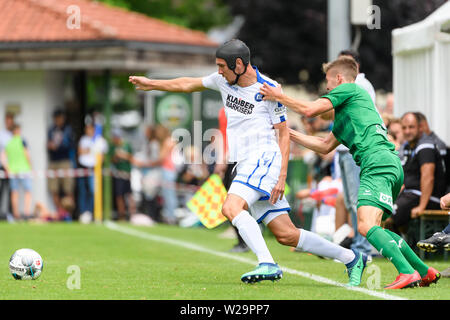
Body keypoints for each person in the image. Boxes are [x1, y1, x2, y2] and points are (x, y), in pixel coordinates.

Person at [129, 39, 368, 286]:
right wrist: (152, 84)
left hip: (264, 159)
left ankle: (267, 263)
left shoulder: (269, 88)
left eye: (222, 66)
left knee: (231, 207)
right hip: (247, 164)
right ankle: (351, 258)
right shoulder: (223, 80)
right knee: (286, 234)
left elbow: (283, 133)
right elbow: (187, 84)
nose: (219, 71)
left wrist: (282, 175)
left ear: (240, 64)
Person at [260, 56, 440, 289]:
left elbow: (311, 109)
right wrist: (288, 133)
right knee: (377, 228)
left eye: (328, 81)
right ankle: (424, 271)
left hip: (376, 164)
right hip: (388, 164)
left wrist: (278, 97)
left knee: (364, 226)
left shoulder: (349, 89)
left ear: (339, 78)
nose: (326, 88)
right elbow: (324, 146)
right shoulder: (348, 113)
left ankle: (406, 272)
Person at [331, 50, 375, 257]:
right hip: (343, 149)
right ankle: (359, 245)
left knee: (358, 201)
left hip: (354, 150)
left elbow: (324, 110)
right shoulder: (351, 86)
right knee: (351, 202)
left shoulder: (359, 85)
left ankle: (362, 248)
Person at [384, 112, 446, 234]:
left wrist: (422, 206)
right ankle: (405, 247)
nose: (407, 131)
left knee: (387, 217)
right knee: (383, 211)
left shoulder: (425, 146)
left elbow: (428, 177)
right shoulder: (408, 147)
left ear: (420, 128)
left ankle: (403, 249)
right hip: (411, 195)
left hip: (429, 198)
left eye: (411, 127)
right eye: (404, 128)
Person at [214, 106, 249, 253]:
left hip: (238, 158)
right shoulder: (224, 109)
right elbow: (224, 135)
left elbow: (235, 135)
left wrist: (224, 158)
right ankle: (243, 240)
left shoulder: (233, 108)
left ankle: (244, 240)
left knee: (232, 201)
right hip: (232, 158)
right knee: (232, 200)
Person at [47, 109, 75, 220]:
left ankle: (69, 214)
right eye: (55, 118)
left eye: (59, 117)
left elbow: (70, 145)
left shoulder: (68, 129)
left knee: (68, 189)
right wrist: (50, 146)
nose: (57, 120)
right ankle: (60, 214)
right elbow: (49, 142)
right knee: (54, 189)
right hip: (53, 162)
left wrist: (58, 146)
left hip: (65, 161)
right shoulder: (51, 130)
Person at [1, 124, 33, 221]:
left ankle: (16, 214)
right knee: (28, 191)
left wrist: (7, 168)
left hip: (13, 171)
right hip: (24, 170)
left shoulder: (9, 143)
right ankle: (26, 213)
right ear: (18, 131)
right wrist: (30, 166)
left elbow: (2, 157)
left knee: (14, 193)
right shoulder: (22, 141)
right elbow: (27, 154)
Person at [77, 122, 108, 219]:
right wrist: (90, 151)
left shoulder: (100, 141)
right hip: (83, 166)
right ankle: (83, 212)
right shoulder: (83, 139)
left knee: (92, 190)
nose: (88, 130)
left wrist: (88, 150)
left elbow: (102, 156)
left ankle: (90, 212)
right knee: (82, 190)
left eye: (90, 128)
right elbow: (80, 152)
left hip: (94, 168)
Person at [110, 128, 136, 221]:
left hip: (126, 174)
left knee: (129, 195)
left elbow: (132, 158)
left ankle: (133, 214)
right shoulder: (112, 147)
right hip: (118, 174)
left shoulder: (126, 145)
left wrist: (123, 155)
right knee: (119, 195)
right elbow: (111, 160)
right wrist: (116, 157)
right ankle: (122, 215)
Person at [0, 112, 15, 220]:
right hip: (2, 166)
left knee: (11, 190)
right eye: (7, 121)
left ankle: (10, 214)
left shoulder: (14, 135)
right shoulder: (2, 134)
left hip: (13, 167)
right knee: (1, 190)